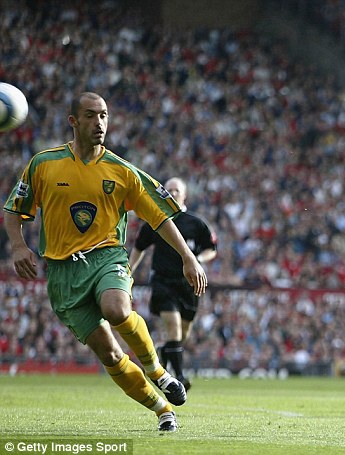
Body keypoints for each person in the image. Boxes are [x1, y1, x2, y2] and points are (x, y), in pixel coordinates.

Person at [3, 92, 208, 432]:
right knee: (110, 355)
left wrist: (188, 257)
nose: (99, 123)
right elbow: (15, 210)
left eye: (104, 116)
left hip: (105, 255)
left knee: (117, 309)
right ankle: (162, 409)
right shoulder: (44, 164)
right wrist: (17, 246)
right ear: (73, 122)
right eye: (90, 116)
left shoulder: (122, 170)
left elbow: (159, 217)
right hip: (62, 272)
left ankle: (158, 371)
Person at [129, 176, 217, 391]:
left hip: (188, 284)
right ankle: (179, 377)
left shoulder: (196, 223)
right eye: (169, 190)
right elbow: (140, 246)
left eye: (177, 190)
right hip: (162, 281)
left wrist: (199, 260)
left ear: (185, 194)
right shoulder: (155, 220)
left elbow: (211, 249)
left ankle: (164, 350)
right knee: (174, 327)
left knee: (181, 334)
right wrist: (129, 270)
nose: (173, 193)